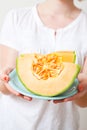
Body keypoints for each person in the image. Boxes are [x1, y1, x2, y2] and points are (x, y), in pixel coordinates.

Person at [0, 0, 87, 130]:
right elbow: (3, 86)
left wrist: (82, 88)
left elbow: (83, 102)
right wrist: (5, 80)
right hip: (14, 124)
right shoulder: (17, 18)